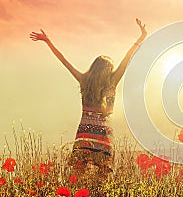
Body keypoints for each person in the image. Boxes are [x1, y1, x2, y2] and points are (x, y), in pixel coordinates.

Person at [30, 18, 147, 179]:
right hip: (104, 133)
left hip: (84, 131)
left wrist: (48, 41)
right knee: (102, 176)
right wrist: (141, 37)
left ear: (93, 67)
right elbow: (127, 58)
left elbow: (64, 61)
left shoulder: (84, 80)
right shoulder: (112, 81)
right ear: (109, 70)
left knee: (78, 174)